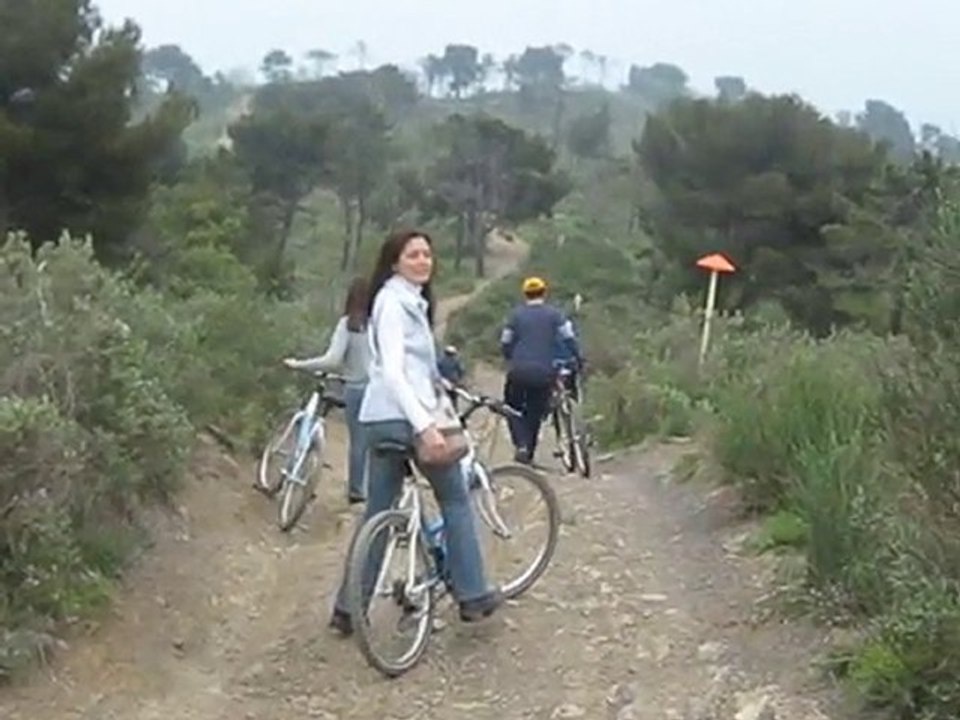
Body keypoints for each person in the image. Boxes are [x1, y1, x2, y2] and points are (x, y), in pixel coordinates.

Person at [328, 230, 502, 635]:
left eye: (427, 254)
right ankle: (473, 595)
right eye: (413, 255)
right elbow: (392, 370)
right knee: (454, 497)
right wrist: (425, 426)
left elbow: (419, 369)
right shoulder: (393, 302)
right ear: (394, 263)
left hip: (379, 418)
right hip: (401, 417)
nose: (423, 261)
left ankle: (347, 610)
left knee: (379, 511)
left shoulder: (407, 302)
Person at [284, 277, 371, 505]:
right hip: (383, 390)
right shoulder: (382, 324)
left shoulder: (349, 324)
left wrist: (300, 364)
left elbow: (332, 360)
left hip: (357, 388)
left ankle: (357, 490)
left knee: (359, 442)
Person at [500, 276, 581, 465]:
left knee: (512, 408)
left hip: (519, 371)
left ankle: (521, 445)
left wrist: (510, 356)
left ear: (524, 294)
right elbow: (569, 338)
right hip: (545, 373)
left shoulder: (515, 316)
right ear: (544, 293)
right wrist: (577, 357)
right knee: (535, 412)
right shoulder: (555, 315)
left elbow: (505, 342)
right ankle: (529, 452)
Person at [437, 345, 466, 410]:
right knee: (453, 401)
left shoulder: (439, 360)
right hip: (453, 383)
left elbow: (436, 372)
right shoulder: (456, 361)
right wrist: (460, 381)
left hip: (443, 383)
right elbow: (461, 371)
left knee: (443, 400)